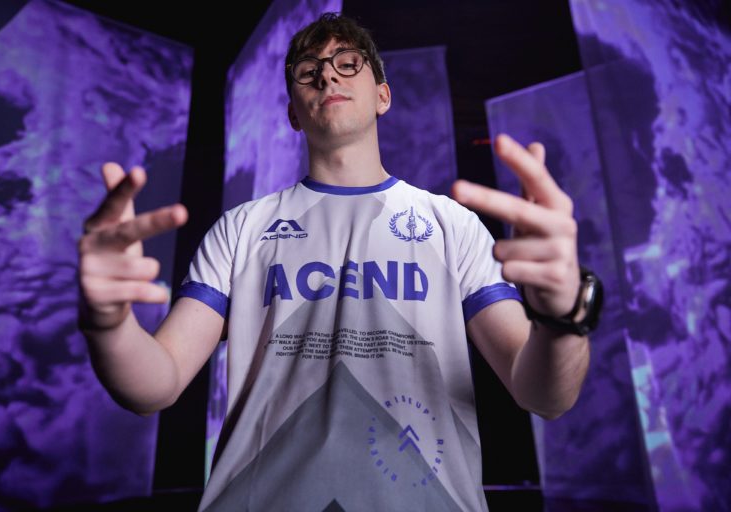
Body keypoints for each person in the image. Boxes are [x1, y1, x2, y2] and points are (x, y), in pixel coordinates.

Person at [79, 13, 598, 512]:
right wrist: (107, 323)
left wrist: (562, 317)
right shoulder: (241, 229)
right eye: (308, 71)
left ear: (382, 96)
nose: (327, 75)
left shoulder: (451, 225)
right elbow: (156, 384)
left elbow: (543, 396)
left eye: (347, 63)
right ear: (293, 113)